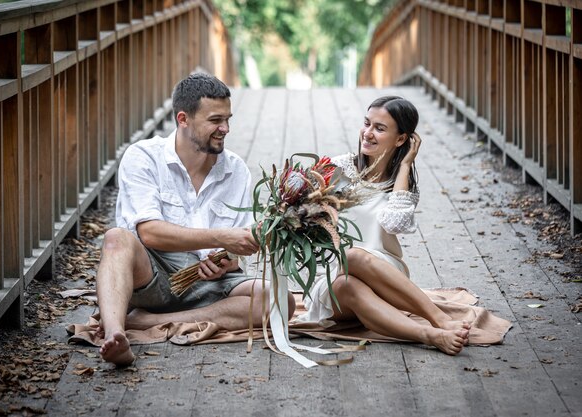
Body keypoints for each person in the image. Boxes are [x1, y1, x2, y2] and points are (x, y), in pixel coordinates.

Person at [96, 73, 294, 366]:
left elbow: (233, 252)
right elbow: (149, 233)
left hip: (210, 285)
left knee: (280, 300)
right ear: (183, 119)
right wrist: (221, 238)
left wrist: (227, 260)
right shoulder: (143, 157)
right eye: (215, 120)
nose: (225, 129)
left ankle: (144, 322)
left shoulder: (236, 170)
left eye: (228, 119)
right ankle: (115, 335)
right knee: (116, 238)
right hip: (153, 275)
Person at [297, 96, 471, 355]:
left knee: (354, 257)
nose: (367, 134)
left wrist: (405, 166)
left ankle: (437, 323)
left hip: (385, 277)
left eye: (379, 128)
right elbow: (300, 210)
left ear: (401, 139)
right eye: (366, 124)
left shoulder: (402, 184)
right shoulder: (338, 169)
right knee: (348, 274)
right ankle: (431, 334)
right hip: (335, 281)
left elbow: (394, 223)